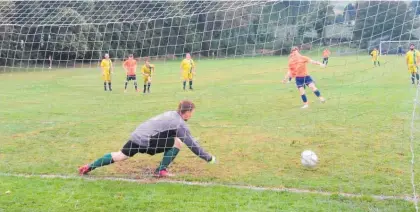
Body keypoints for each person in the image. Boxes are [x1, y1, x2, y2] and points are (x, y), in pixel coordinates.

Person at [78, 100, 216, 177]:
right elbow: (192, 144)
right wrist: (208, 158)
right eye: (192, 113)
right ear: (186, 112)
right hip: (147, 141)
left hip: (137, 135)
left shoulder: (171, 113)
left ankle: (89, 167)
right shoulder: (179, 124)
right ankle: (161, 170)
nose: (191, 115)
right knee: (178, 142)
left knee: (120, 155)